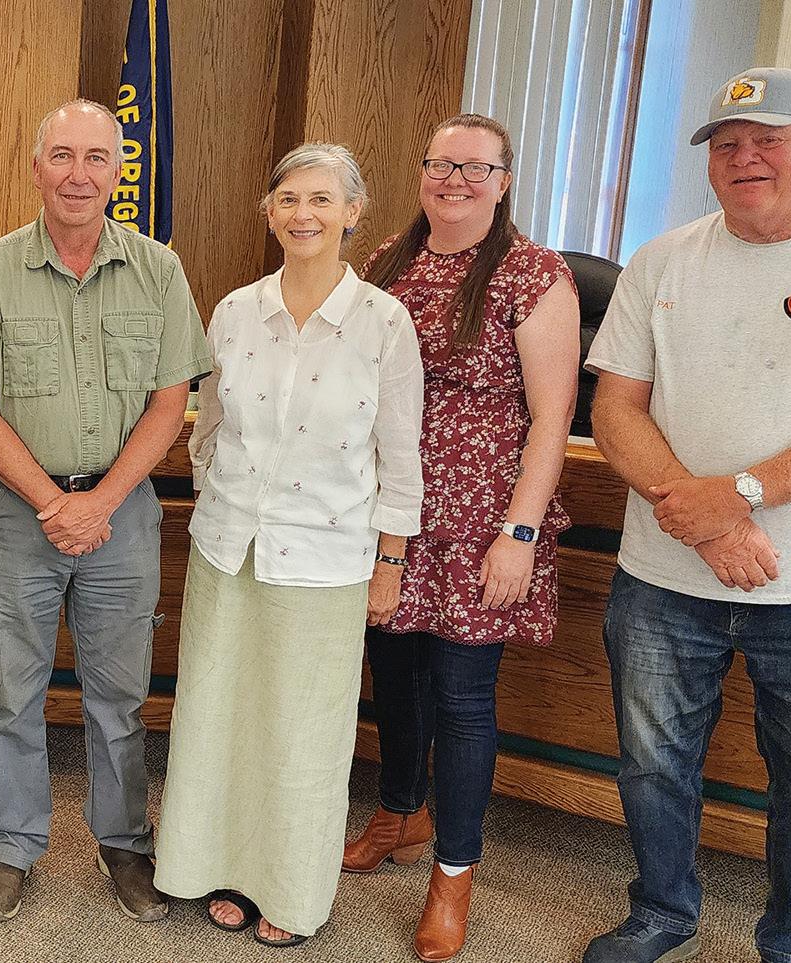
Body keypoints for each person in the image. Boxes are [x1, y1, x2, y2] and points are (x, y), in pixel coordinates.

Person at [582, 67, 791, 963]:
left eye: (767, 138)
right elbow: (615, 409)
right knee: (651, 766)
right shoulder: (661, 259)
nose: (745, 157)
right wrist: (705, 519)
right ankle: (661, 911)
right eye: (727, 143)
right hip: (662, 579)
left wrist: (739, 495)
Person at [0, 99, 211, 924]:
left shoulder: (159, 269)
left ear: (118, 169)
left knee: (118, 695)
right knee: (11, 692)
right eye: (61, 156)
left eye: (95, 157)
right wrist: (56, 503)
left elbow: (169, 402)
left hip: (122, 515)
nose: (78, 174)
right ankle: (10, 843)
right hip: (20, 514)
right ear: (35, 168)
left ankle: (122, 841)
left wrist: (100, 502)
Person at [152, 143, 423, 948]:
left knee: (302, 733)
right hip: (227, 551)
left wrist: (389, 562)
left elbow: (400, 456)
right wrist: (222, 498)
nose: (303, 214)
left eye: (320, 199)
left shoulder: (383, 321)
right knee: (217, 714)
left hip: (327, 559)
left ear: (352, 212)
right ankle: (215, 867)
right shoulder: (235, 310)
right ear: (267, 211)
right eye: (288, 199)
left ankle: (292, 891)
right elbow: (206, 427)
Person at [342, 112, 579, 963]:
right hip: (393, 512)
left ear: (503, 182)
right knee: (393, 678)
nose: (455, 180)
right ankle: (397, 814)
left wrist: (518, 532)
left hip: (482, 518)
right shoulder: (386, 260)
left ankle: (452, 872)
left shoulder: (532, 273)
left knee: (461, 697)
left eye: (476, 168)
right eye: (441, 164)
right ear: (420, 173)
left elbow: (551, 417)